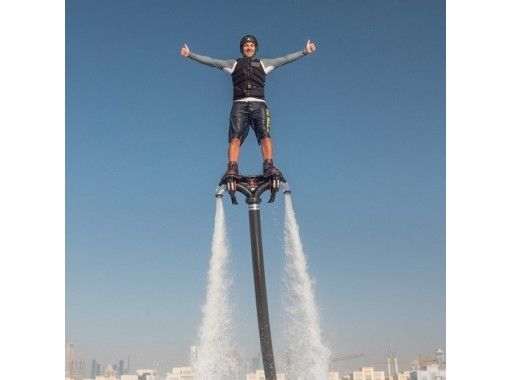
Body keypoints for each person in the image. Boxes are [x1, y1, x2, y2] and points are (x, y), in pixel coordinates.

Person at [180, 35, 316, 181]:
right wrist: (190, 55)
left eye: (251, 45)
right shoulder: (232, 64)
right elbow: (212, 61)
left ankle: (268, 165)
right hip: (239, 104)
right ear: (242, 49)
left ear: (255, 48)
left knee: (265, 135)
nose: (249, 47)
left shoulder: (264, 63)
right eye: (246, 46)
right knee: (235, 137)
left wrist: (305, 51)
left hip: (259, 104)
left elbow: (285, 59)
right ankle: (232, 167)